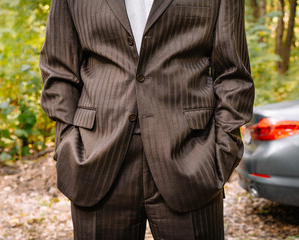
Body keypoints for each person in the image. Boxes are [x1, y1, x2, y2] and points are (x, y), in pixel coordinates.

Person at [39, 0, 255, 239]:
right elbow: (58, 70)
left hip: (192, 157)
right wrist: (67, 140)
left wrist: (222, 149)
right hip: (95, 156)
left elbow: (233, 75)